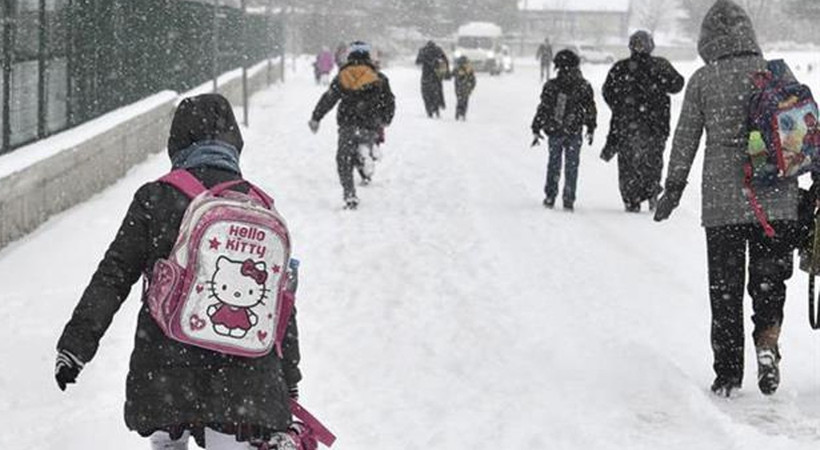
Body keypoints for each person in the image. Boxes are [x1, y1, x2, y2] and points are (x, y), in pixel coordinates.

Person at [54, 93, 303, 448]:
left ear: (177, 141)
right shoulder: (259, 206)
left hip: (165, 368)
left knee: (167, 440)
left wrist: (76, 346)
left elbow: (113, 275)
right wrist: (288, 376)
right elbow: (281, 304)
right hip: (244, 379)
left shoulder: (155, 198)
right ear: (234, 142)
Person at [654, 0, 801, 397]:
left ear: (707, 39)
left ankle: (728, 374)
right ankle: (767, 342)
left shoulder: (704, 79)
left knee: (725, 289)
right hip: (778, 199)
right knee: (769, 281)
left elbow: (685, 138)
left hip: (723, 204)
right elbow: (802, 131)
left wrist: (673, 187)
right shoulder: (774, 72)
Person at [602, 30, 684, 213]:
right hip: (656, 125)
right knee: (653, 161)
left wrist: (621, 107)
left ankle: (632, 199)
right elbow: (678, 84)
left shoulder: (620, 68)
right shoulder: (660, 65)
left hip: (627, 125)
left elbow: (607, 92)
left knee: (628, 163)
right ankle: (651, 191)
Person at [309, 41, 395, 210]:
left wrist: (316, 117)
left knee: (344, 159)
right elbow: (389, 102)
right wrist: (386, 119)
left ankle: (349, 194)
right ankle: (367, 156)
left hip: (348, 123)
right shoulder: (379, 78)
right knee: (364, 145)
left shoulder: (343, 76)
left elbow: (329, 99)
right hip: (370, 124)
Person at [530, 49, 597, 212]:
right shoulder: (583, 85)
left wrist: (537, 126)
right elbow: (590, 108)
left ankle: (550, 195)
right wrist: (591, 126)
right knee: (571, 166)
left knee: (554, 164)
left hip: (555, 130)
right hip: (574, 131)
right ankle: (568, 198)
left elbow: (544, 108)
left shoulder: (552, 85)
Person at [415, 41, 449, 118]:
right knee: (436, 93)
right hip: (436, 75)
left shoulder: (423, 50)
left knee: (426, 94)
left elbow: (417, 62)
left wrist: (425, 61)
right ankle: (436, 108)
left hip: (426, 76)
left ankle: (429, 110)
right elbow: (446, 61)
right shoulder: (438, 50)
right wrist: (446, 72)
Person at [452, 56, 477, 121]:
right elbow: (451, 75)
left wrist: (471, 87)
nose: (464, 65)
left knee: (464, 101)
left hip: (465, 88)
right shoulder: (457, 70)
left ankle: (462, 113)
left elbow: (473, 80)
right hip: (460, 88)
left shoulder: (469, 70)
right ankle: (459, 113)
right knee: (460, 101)